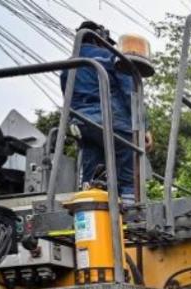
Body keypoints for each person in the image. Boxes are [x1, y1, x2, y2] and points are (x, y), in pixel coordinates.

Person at [61, 22, 146, 200]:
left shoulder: (68, 66)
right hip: (109, 118)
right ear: (100, 38)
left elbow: (68, 98)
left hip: (80, 123)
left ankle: (90, 203)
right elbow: (129, 91)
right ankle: (131, 204)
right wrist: (143, 127)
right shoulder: (109, 56)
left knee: (93, 171)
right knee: (129, 151)